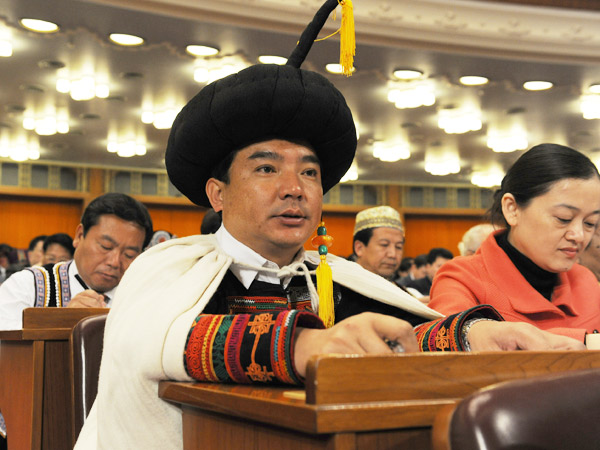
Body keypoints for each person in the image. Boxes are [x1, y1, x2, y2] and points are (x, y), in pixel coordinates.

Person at [76, 4, 583, 449]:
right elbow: (153, 340)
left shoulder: (338, 277)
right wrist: (304, 344)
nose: (295, 187)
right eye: (267, 167)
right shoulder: (169, 268)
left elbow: (406, 337)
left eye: (311, 172)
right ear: (217, 192)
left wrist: (482, 333)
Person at [428, 143, 600, 343]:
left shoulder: (585, 280)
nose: (579, 236)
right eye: (563, 218)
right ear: (512, 209)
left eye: (590, 223)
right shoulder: (463, 278)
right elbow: (447, 340)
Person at [0, 193, 153, 330]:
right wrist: (63, 321)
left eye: (129, 254)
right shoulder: (29, 285)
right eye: (105, 247)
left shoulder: (144, 298)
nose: (114, 262)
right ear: (79, 236)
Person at [353, 206, 405, 281]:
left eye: (398, 247)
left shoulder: (407, 292)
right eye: (384, 244)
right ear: (359, 248)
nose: (392, 254)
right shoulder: (336, 289)